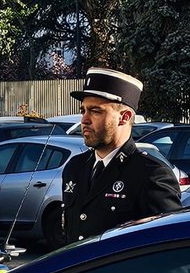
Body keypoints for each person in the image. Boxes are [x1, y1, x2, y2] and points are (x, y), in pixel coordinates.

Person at [61, 67, 182, 244]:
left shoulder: (151, 174)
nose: (84, 120)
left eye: (95, 111)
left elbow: (169, 247)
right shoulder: (75, 168)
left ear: (124, 117)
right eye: (83, 110)